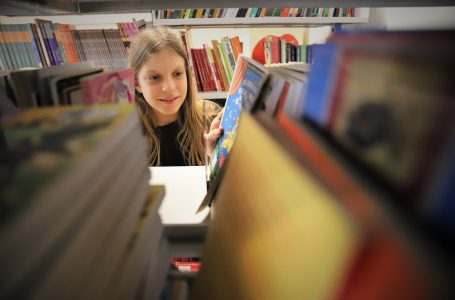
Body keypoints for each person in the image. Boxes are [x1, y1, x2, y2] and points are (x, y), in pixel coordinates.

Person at [129, 27, 223, 166]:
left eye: (177, 74)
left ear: (187, 73)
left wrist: (215, 159)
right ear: (136, 83)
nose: (169, 87)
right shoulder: (124, 137)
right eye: (154, 77)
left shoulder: (212, 118)